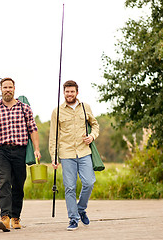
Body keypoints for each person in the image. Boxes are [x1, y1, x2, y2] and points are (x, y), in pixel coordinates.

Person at [0, 77, 41, 232]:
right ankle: (5, 217)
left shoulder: (24, 108)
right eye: (5, 87)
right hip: (1, 151)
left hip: (20, 151)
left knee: (18, 185)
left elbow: (33, 129)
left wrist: (36, 149)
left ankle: (16, 217)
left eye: (10, 87)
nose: (7, 90)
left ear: (14, 89)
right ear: (0, 90)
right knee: (4, 182)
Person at [49, 80, 99, 231]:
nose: (69, 94)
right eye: (67, 91)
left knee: (89, 182)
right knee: (70, 187)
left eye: (72, 91)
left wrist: (92, 136)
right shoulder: (57, 111)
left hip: (84, 152)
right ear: (63, 93)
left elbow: (95, 124)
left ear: (77, 92)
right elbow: (53, 136)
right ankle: (73, 218)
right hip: (66, 153)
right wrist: (54, 156)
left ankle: (81, 209)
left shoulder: (86, 107)